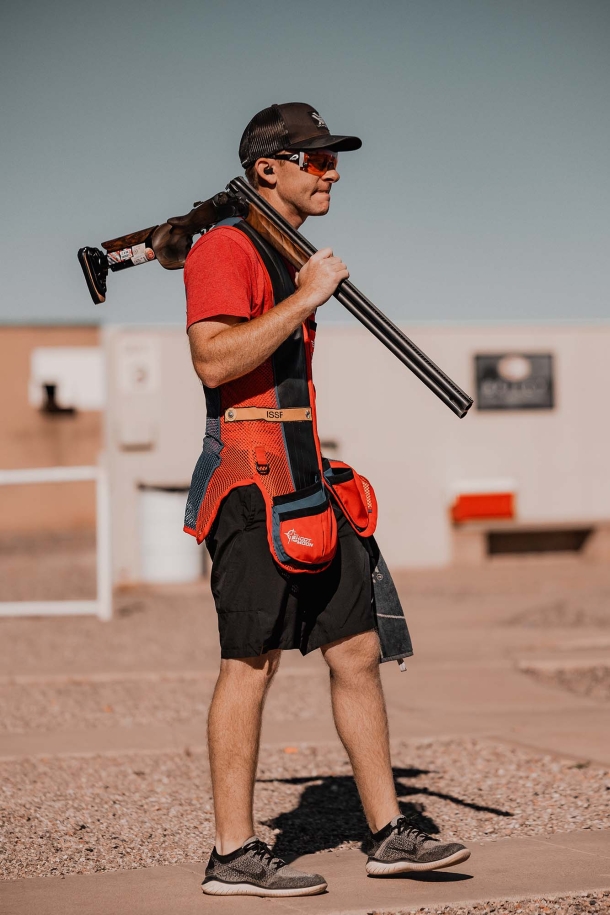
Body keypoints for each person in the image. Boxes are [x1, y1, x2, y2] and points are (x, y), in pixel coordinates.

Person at [184, 102, 470, 897]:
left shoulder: (285, 252)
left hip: (310, 479)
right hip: (249, 484)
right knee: (250, 664)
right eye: (315, 158)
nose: (331, 170)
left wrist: (302, 286)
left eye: (331, 157)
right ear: (267, 168)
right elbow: (213, 361)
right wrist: (307, 297)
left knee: (358, 653)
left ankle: (388, 832)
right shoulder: (224, 247)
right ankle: (233, 854)